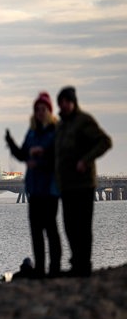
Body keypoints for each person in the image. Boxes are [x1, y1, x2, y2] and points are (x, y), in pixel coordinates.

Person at [55, 86, 112, 277]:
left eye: (66, 101)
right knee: (69, 225)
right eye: (61, 102)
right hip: (66, 185)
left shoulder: (84, 121)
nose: (63, 105)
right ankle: (76, 261)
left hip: (84, 184)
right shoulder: (61, 126)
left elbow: (105, 141)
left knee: (83, 226)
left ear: (73, 102)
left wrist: (85, 160)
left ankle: (83, 264)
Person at [5, 91, 62, 278]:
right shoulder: (32, 132)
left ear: (49, 110)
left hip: (50, 189)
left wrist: (40, 158)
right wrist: (11, 143)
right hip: (34, 189)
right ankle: (39, 270)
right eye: (37, 109)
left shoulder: (55, 131)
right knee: (36, 232)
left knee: (51, 230)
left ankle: (54, 268)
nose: (39, 112)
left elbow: (57, 157)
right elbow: (23, 155)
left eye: (43, 109)